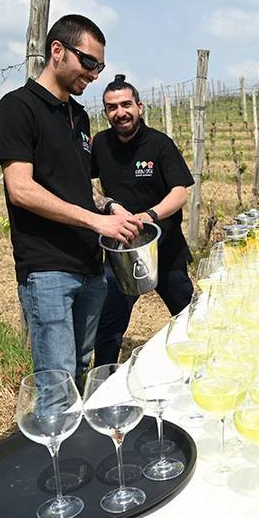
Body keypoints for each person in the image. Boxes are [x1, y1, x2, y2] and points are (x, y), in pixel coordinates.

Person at [0, 14, 142, 384]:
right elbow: (20, 189)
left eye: (99, 65)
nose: (94, 74)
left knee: (78, 370)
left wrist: (108, 206)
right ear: (56, 50)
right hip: (48, 270)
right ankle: (53, 442)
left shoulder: (79, 116)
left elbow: (77, 187)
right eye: (88, 62)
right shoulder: (17, 108)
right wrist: (96, 221)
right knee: (56, 381)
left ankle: (71, 441)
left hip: (90, 267)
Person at [91, 75, 195, 365]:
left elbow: (179, 192)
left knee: (188, 319)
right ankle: (103, 384)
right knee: (108, 329)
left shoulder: (159, 144)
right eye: (112, 107)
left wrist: (149, 216)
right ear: (106, 112)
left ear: (140, 106)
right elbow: (85, 184)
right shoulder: (100, 144)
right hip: (121, 251)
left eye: (126, 104)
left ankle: (200, 373)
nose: (120, 112)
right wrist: (108, 204)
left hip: (166, 250)